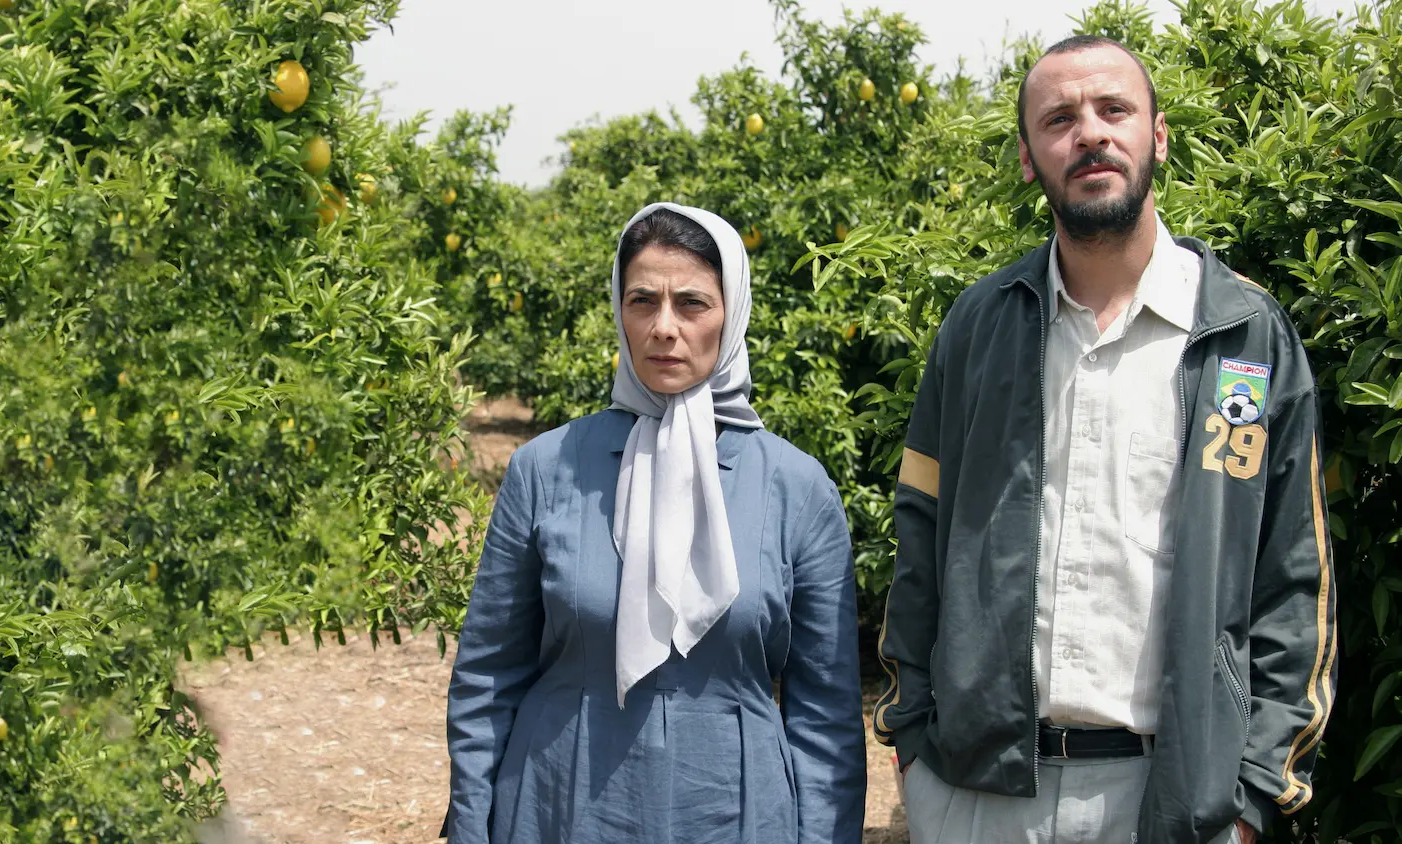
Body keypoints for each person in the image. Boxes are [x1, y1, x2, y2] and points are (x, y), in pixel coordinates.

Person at [873, 35, 1335, 844]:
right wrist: (914, 740)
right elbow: (920, 535)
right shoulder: (977, 330)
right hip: (980, 796)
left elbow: (1293, 576)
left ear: (1157, 136)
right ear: (1028, 157)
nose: (1089, 133)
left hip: (1176, 798)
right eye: (1059, 118)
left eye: (1113, 109)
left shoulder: (1242, 338)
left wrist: (1257, 791)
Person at [446, 202, 866, 843]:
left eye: (692, 303)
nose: (663, 328)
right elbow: (487, 676)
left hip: (735, 812)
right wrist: (474, 828)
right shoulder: (546, 469)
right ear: (619, 311)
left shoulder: (796, 488)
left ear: (733, 314)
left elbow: (825, 714)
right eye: (643, 301)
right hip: (560, 803)